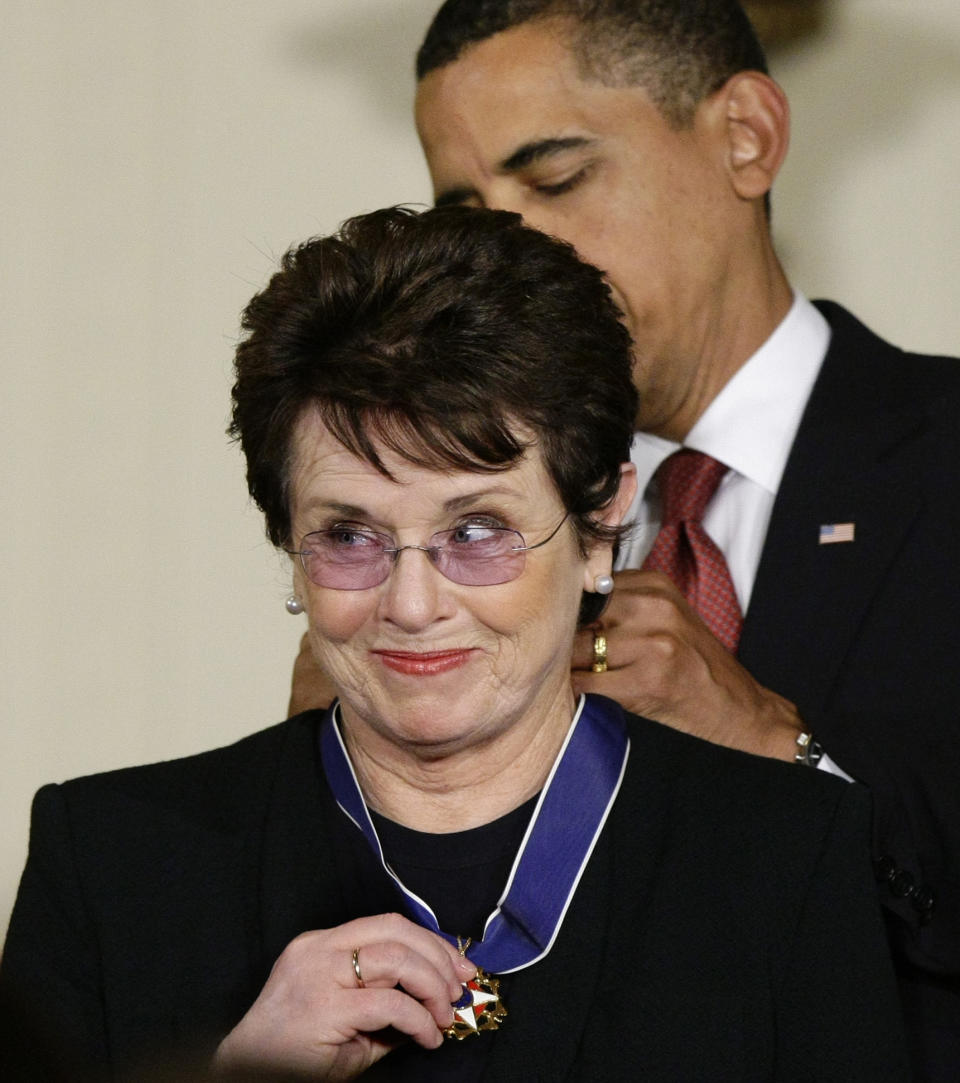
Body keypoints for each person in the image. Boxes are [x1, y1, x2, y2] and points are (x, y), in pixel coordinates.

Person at [1, 206, 907, 1080]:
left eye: (476, 531)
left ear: (600, 524)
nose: (412, 601)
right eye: (349, 535)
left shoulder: (784, 857)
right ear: (288, 543)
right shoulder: (113, 866)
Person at [281, 2, 960, 1077]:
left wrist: (786, 755)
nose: (510, 251)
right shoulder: (440, 549)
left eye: (553, 180)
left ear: (747, 136)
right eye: (469, 211)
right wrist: (325, 798)